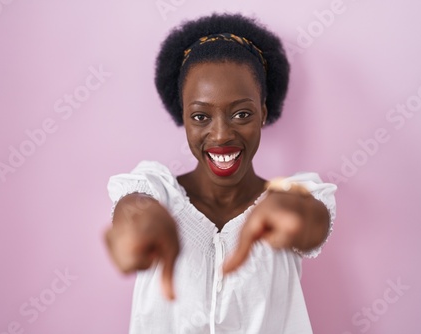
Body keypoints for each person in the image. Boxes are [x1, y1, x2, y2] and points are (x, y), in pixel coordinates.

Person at [104, 12, 337, 334]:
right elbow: (135, 207)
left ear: (263, 113)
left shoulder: (295, 197)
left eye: (241, 113)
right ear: (183, 116)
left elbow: (312, 222)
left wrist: (293, 212)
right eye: (201, 116)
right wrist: (141, 220)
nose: (220, 135)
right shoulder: (156, 191)